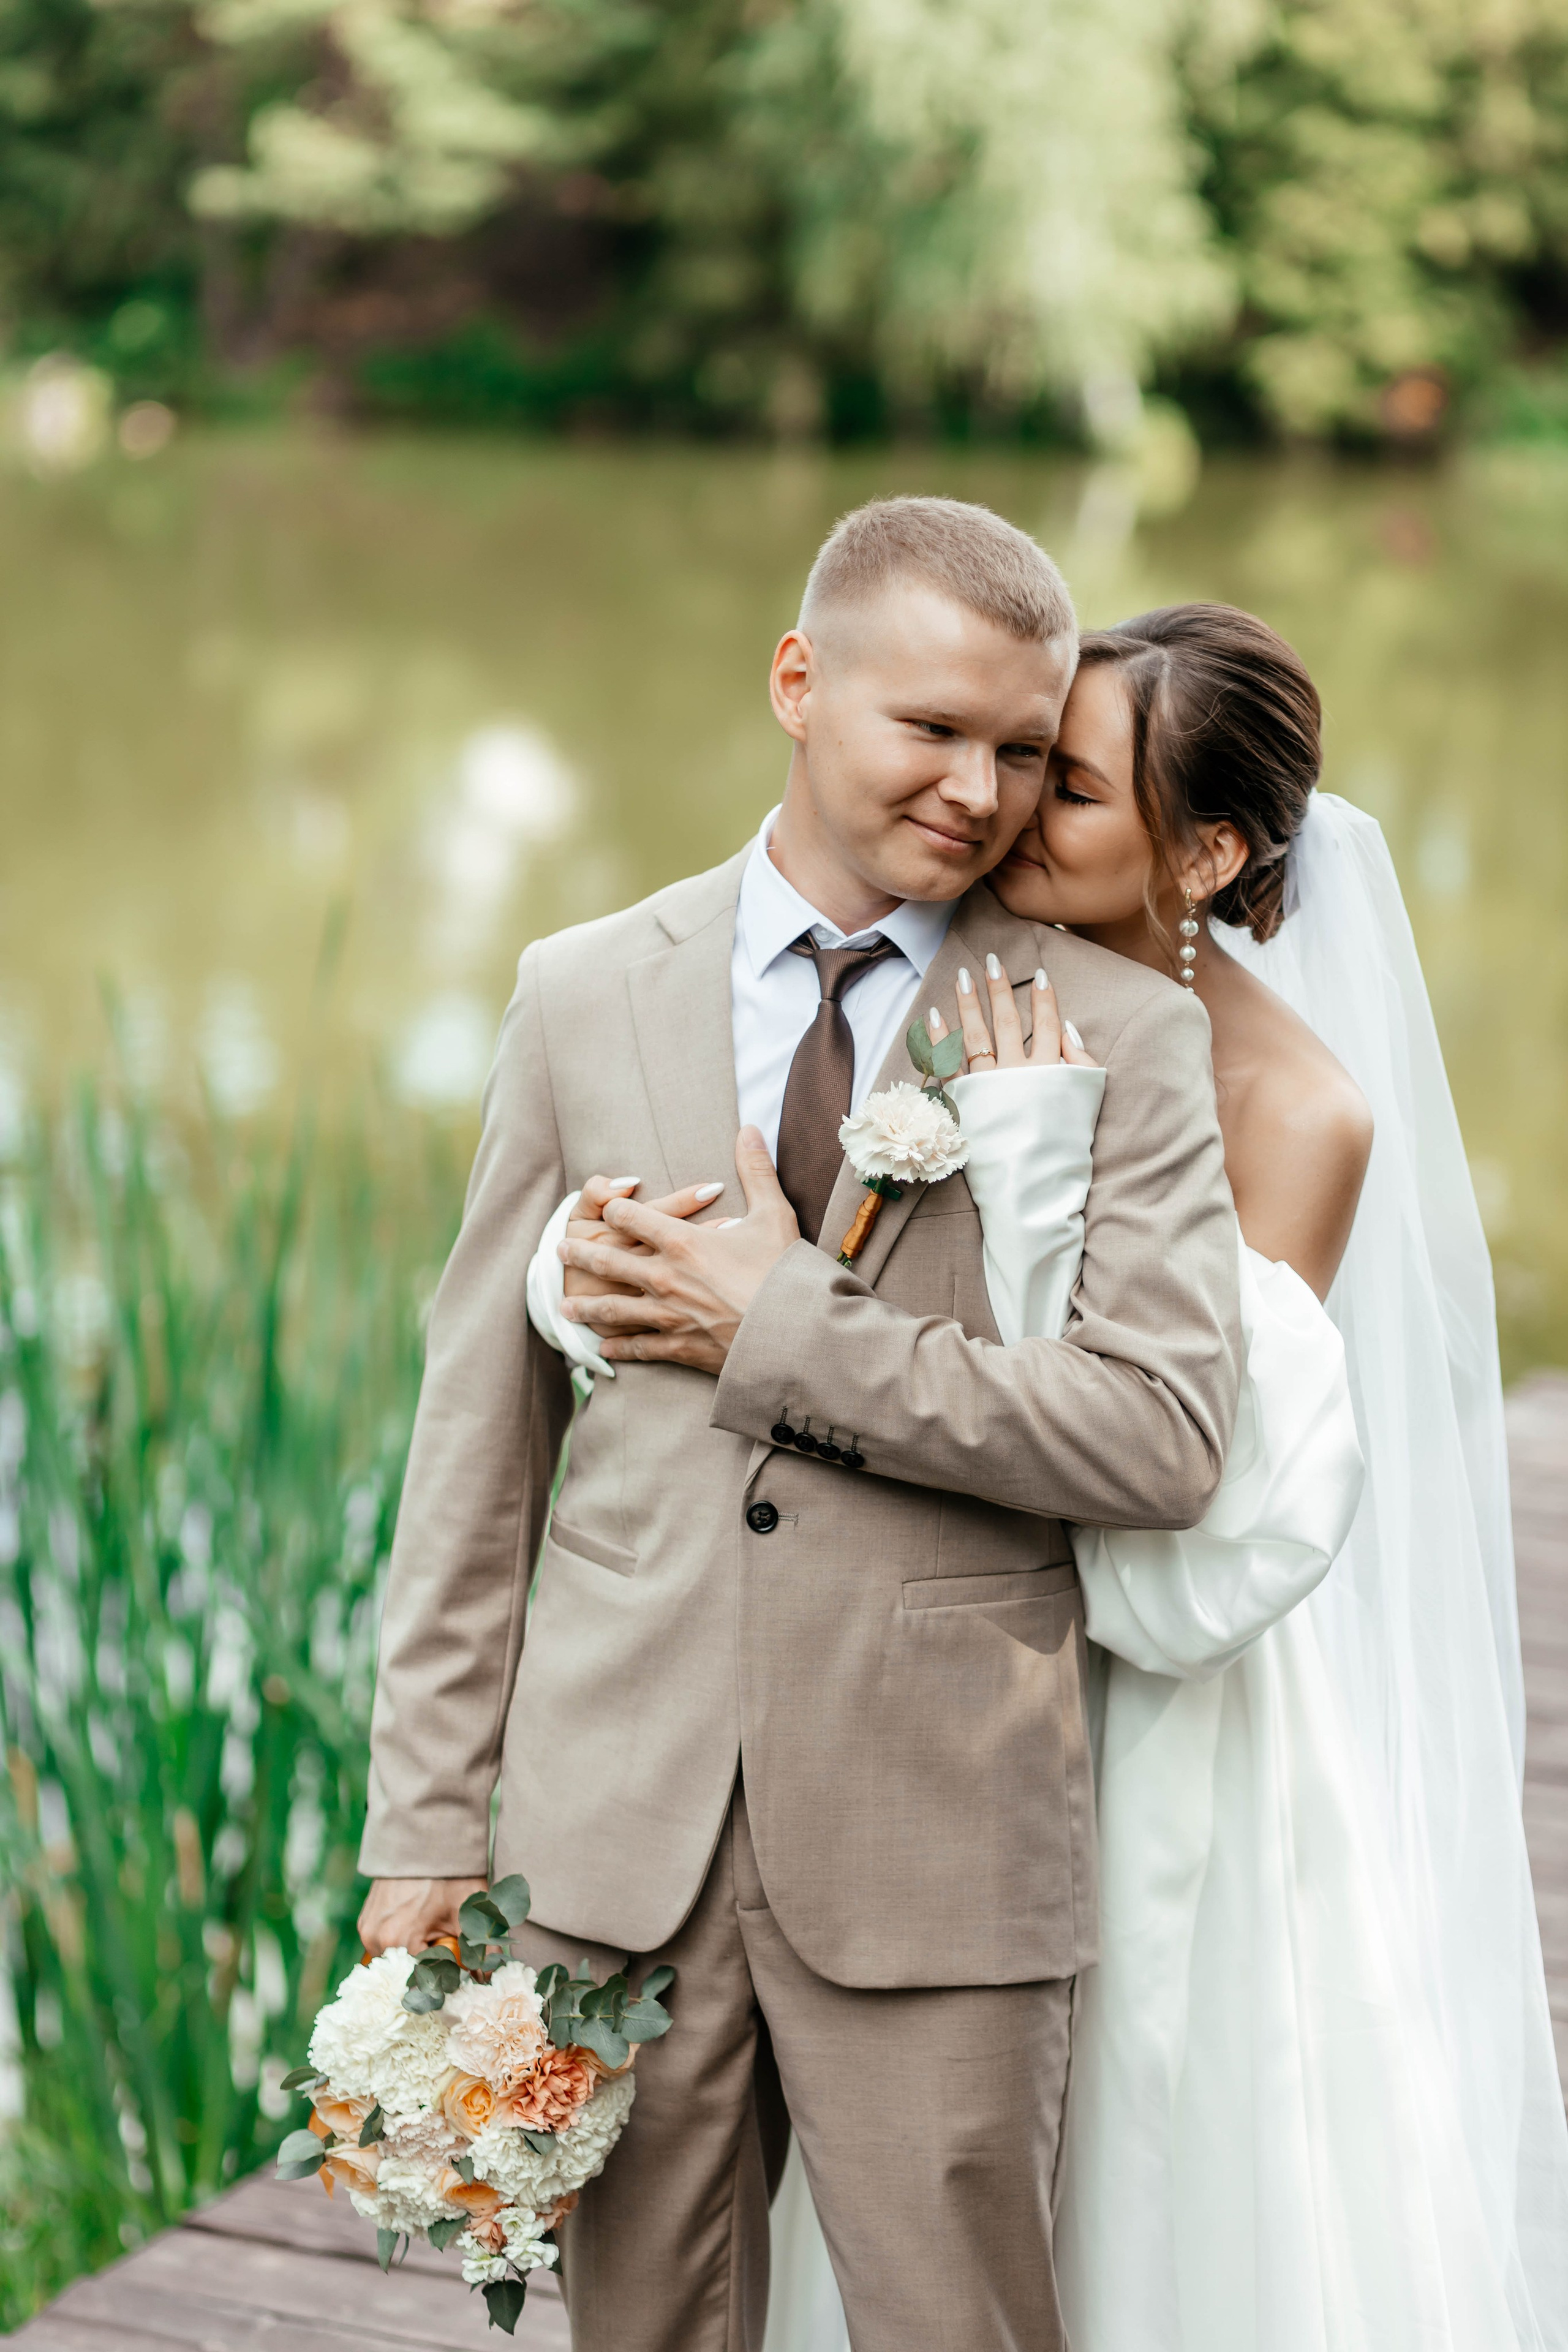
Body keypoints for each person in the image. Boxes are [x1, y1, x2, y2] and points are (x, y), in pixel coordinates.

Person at [355, 497, 1245, 2352]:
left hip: (939, 1829)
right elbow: (480, 1432)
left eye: (1021, 749)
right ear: (797, 680)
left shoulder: (1115, 1035)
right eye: (930, 730)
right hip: (615, 1827)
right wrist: (423, 1817)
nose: (981, 790)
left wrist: (788, 1329)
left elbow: (1160, 1439)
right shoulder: (583, 989)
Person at [758, 605, 1568, 2350]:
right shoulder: (954, 961)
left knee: (1137, 2170)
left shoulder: (1298, 1111)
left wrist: (1042, 1172)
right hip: (923, 1657)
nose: (1009, 810)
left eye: (1072, 789)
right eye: (1026, 760)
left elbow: (1176, 1486)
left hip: (1151, 1707)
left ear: (1204, 851)